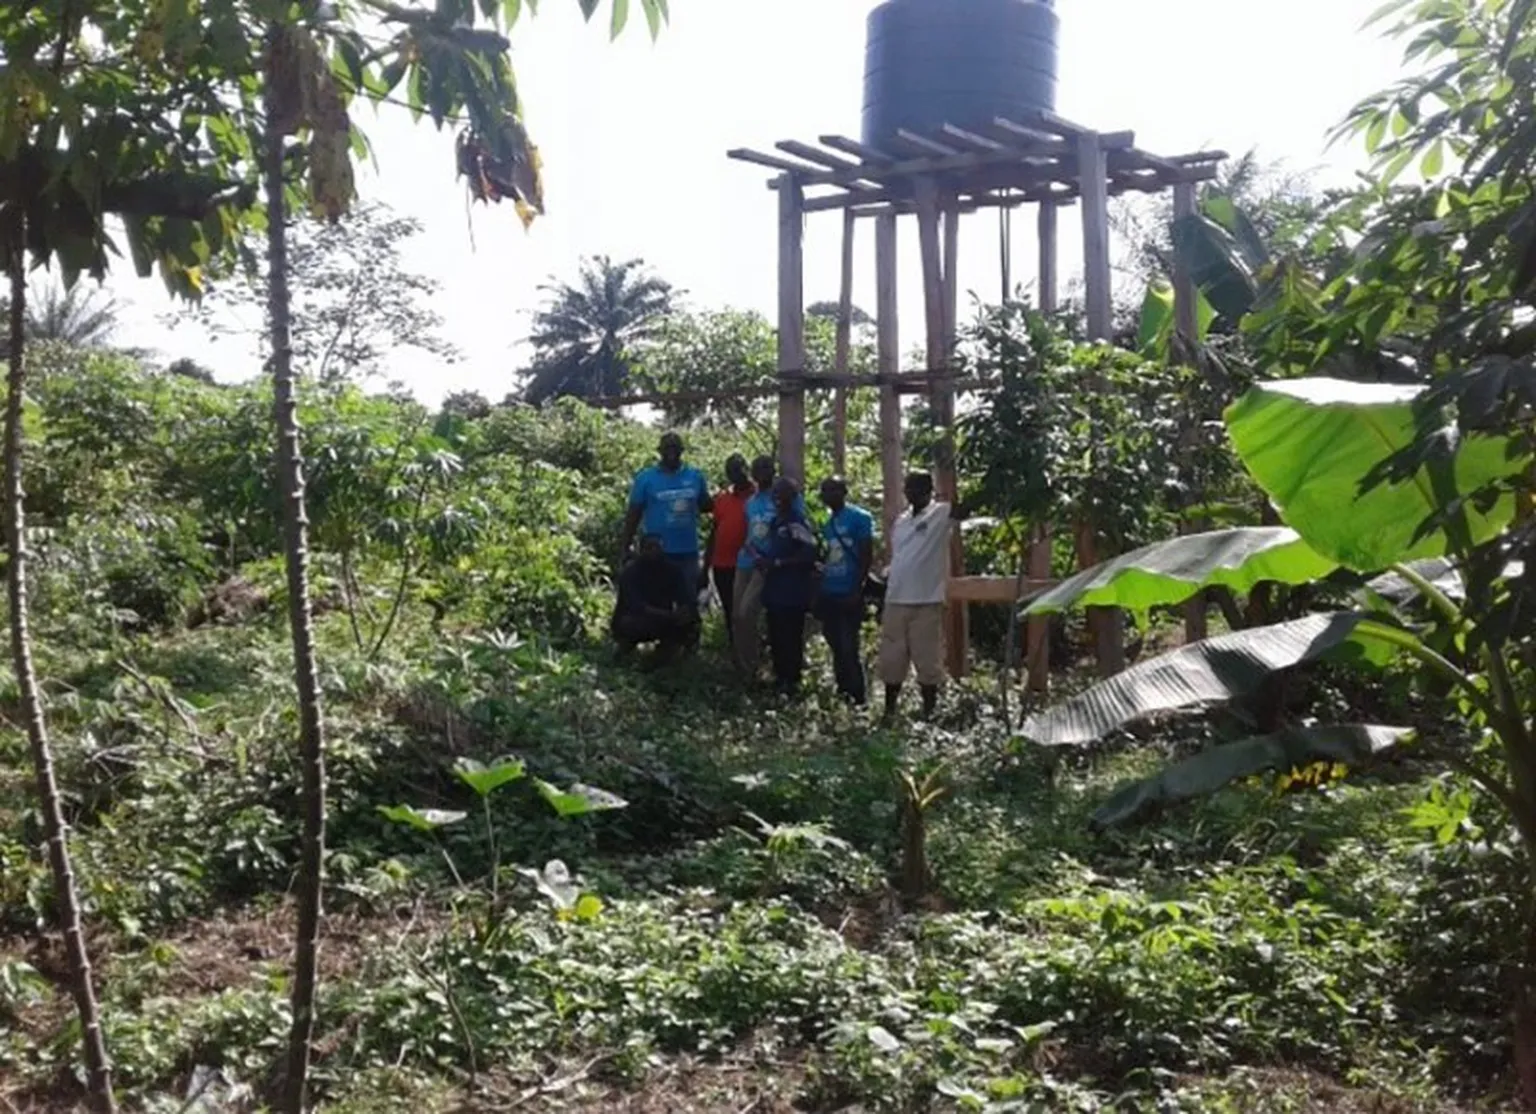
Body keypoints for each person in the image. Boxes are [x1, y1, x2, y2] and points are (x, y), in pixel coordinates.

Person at [879, 471, 970, 721]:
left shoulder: (941, 513)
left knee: (927, 659)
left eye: (917, 488)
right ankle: (889, 711)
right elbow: (901, 557)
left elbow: (966, 509)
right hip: (895, 598)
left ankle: (929, 713)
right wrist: (885, 575)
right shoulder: (901, 521)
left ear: (930, 490)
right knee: (892, 658)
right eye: (908, 487)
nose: (911, 492)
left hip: (925, 601)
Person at [619, 432, 712, 643]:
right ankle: (661, 642)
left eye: (675, 449)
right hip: (656, 554)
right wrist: (625, 546)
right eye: (667, 449)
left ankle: (688, 644)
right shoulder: (646, 479)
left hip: (686, 552)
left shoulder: (695, 477)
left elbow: (707, 505)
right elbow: (634, 514)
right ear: (659, 451)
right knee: (657, 600)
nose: (671, 453)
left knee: (688, 599)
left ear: (681, 451)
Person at [732, 455, 805, 676]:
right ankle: (748, 668)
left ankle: (761, 664)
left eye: (767, 467)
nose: (762, 471)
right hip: (746, 560)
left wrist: (775, 559)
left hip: (767, 565)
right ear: (752, 474)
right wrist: (750, 551)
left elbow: (797, 528)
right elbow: (750, 533)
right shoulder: (751, 502)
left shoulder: (783, 497)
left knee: (747, 612)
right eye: (758, 468)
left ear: (774, 470)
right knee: (737, 616)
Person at [815, 476, 874, 706]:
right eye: (824, 490)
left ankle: (859, 699)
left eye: (832, 489)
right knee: (836, 647)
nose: (827, 494)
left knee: (850, 648)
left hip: (849, 593)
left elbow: (866, 555)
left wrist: (857, 589)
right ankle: (843, 694)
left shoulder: (860, 518)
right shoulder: (827, 523)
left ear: (844, 491)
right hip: (830, 592)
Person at [758, 478, 818, 697]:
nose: (776, 498)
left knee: (791, 638)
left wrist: (778, 563)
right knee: (776, 636)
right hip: (774, 591)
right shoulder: (776, 521)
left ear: (792, 497)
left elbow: (809, 554)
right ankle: (780, 678)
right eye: (774, 494)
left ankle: (792, 682)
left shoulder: (797, 521)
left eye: (781, 494)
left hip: (793, 593)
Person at [611, 534, 699, 663]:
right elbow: (636, 606)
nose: (653, 551)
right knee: (630, 625)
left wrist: (684, 612)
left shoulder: (673, 571)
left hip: (664, 618)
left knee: (689, 624)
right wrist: (667, 615)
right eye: (649, 547)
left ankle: (666, 654)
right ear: (641, 551)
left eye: (657, 547)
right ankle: (624, 648)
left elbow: (684, 598)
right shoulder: (631, 573)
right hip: (635, 618)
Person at [700, 453, 754, 642]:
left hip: (748, 566)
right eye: (730, 471)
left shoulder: (758, 497)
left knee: (747, 612)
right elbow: (714, 534)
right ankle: (736, 655)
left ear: (747, 469)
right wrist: (705, 567)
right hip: (722, 564)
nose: (735, 474)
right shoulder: (722, 499)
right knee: (730, 612)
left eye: (739, 469)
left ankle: (753, 655)